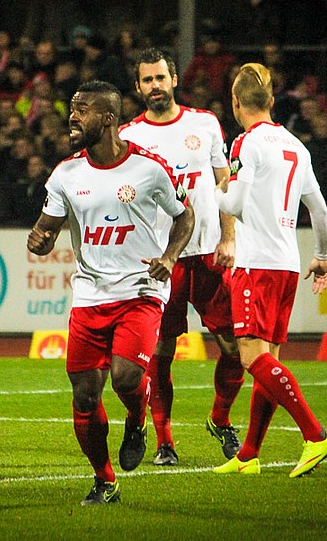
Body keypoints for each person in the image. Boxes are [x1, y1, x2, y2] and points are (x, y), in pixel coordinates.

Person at [27, 80, 194, 505]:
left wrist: (170, 256)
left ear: (107, 118)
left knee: (125, 377)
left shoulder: (149, 168)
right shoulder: (66, 174)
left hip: (141, 289)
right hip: (89, 295)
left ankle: (137, 420)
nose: (72, 116)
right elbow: (46, 229)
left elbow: (184, 215)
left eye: (82, 110)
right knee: (84, 395)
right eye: (73, 109)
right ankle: (105, 480)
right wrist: (40, 240)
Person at [213, 62, 327, 478]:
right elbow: (319, 210)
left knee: (252, 358)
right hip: (286, 264)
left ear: (236, 102)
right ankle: (248, 454)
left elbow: (233, 204)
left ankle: (315, 435)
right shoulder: (296, 146)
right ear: (270, 100)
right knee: (267, 362)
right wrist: (322, 255)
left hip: (256, 264)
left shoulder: (246, 143)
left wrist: (209, 191)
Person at [118, 48, 242, 467]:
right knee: (160, 353)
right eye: (147, 80)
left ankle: (221, 419)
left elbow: (225, 184)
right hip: (161, 259)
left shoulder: (204, 123)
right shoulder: (129, 136)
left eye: (160, 78)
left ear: (174, 79)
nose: (155, 86)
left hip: (208, 253)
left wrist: (229, 237)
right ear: (138, 87)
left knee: (234, 348)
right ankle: (164, 441)